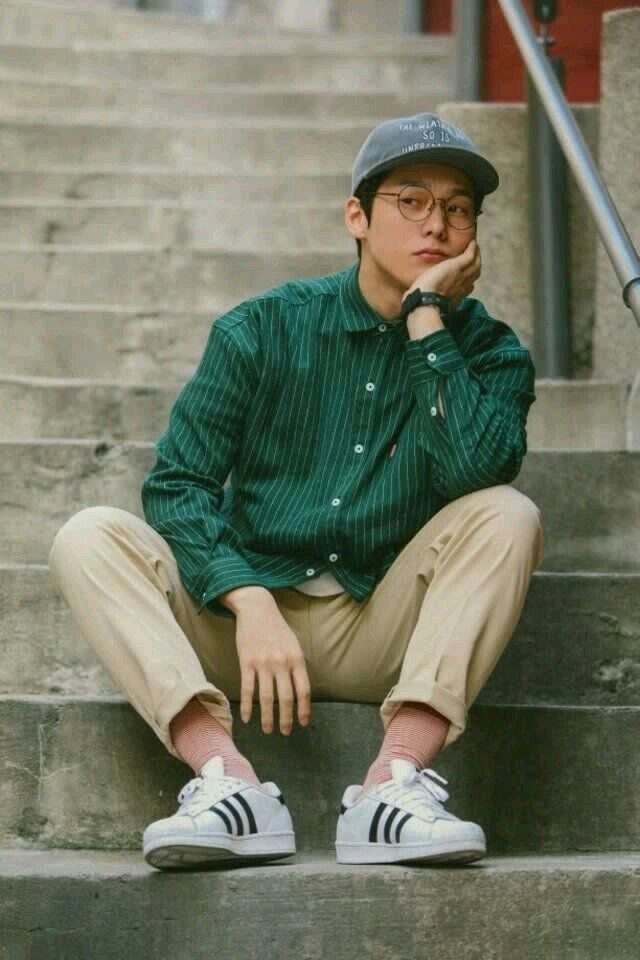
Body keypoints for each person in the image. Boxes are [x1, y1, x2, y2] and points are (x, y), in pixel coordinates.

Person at [49, 112, 543, 871]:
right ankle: (227, 784)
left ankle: (393, 785)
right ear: (357, 215)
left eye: (458, 209)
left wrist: (426, 321)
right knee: (89, 534)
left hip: (384, 623)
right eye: (411, 200)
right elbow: (178, 483)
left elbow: (479, 473)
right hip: (241, 630)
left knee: (508, 515)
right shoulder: (262, 329)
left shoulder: (490, 351)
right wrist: (245, 597)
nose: (437, 224)